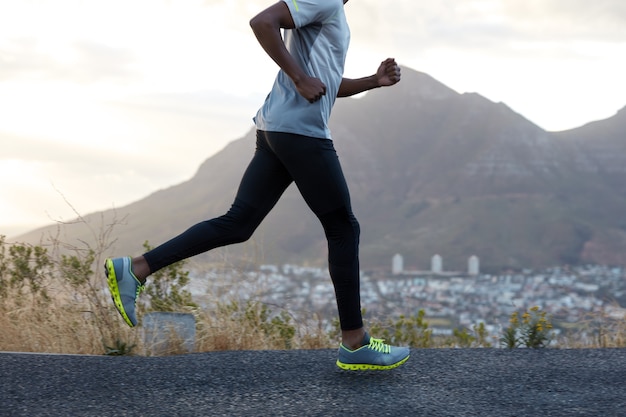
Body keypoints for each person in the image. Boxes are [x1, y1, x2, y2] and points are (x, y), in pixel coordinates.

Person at [105, 0, 409, 371]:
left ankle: (136, 268)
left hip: (276, 129)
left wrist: (372, 82)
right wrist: (298, 77)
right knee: (343, 227)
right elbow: (262, 22)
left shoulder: (333, 11)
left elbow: (325, 84)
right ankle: (355, 342)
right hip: (301, 132)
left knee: (239, 223)